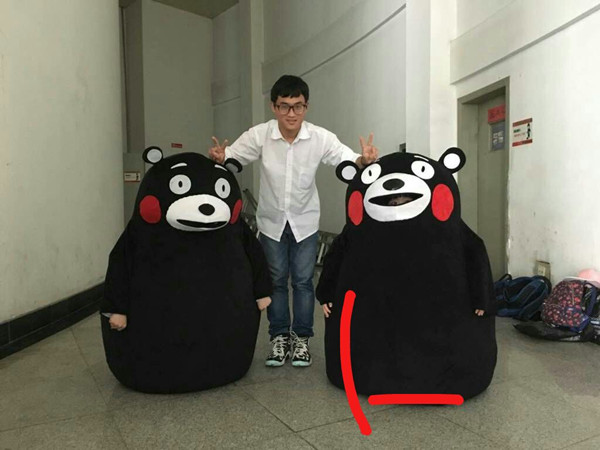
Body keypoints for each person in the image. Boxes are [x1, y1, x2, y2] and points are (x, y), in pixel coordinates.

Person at [209, 75, 378, 368]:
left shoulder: (319, 137)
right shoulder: (260, 135)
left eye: (297, 106)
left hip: (305, 222)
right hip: (271, 222)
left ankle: (301, 339)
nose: (291, 113)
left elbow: (345, 159)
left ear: (306, 107)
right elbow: (233, 156)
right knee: (275, 282)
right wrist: (220, 157)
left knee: (302, 282)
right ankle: (279, 338)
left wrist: (364, 161)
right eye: (284, 106)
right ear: (274, 107)